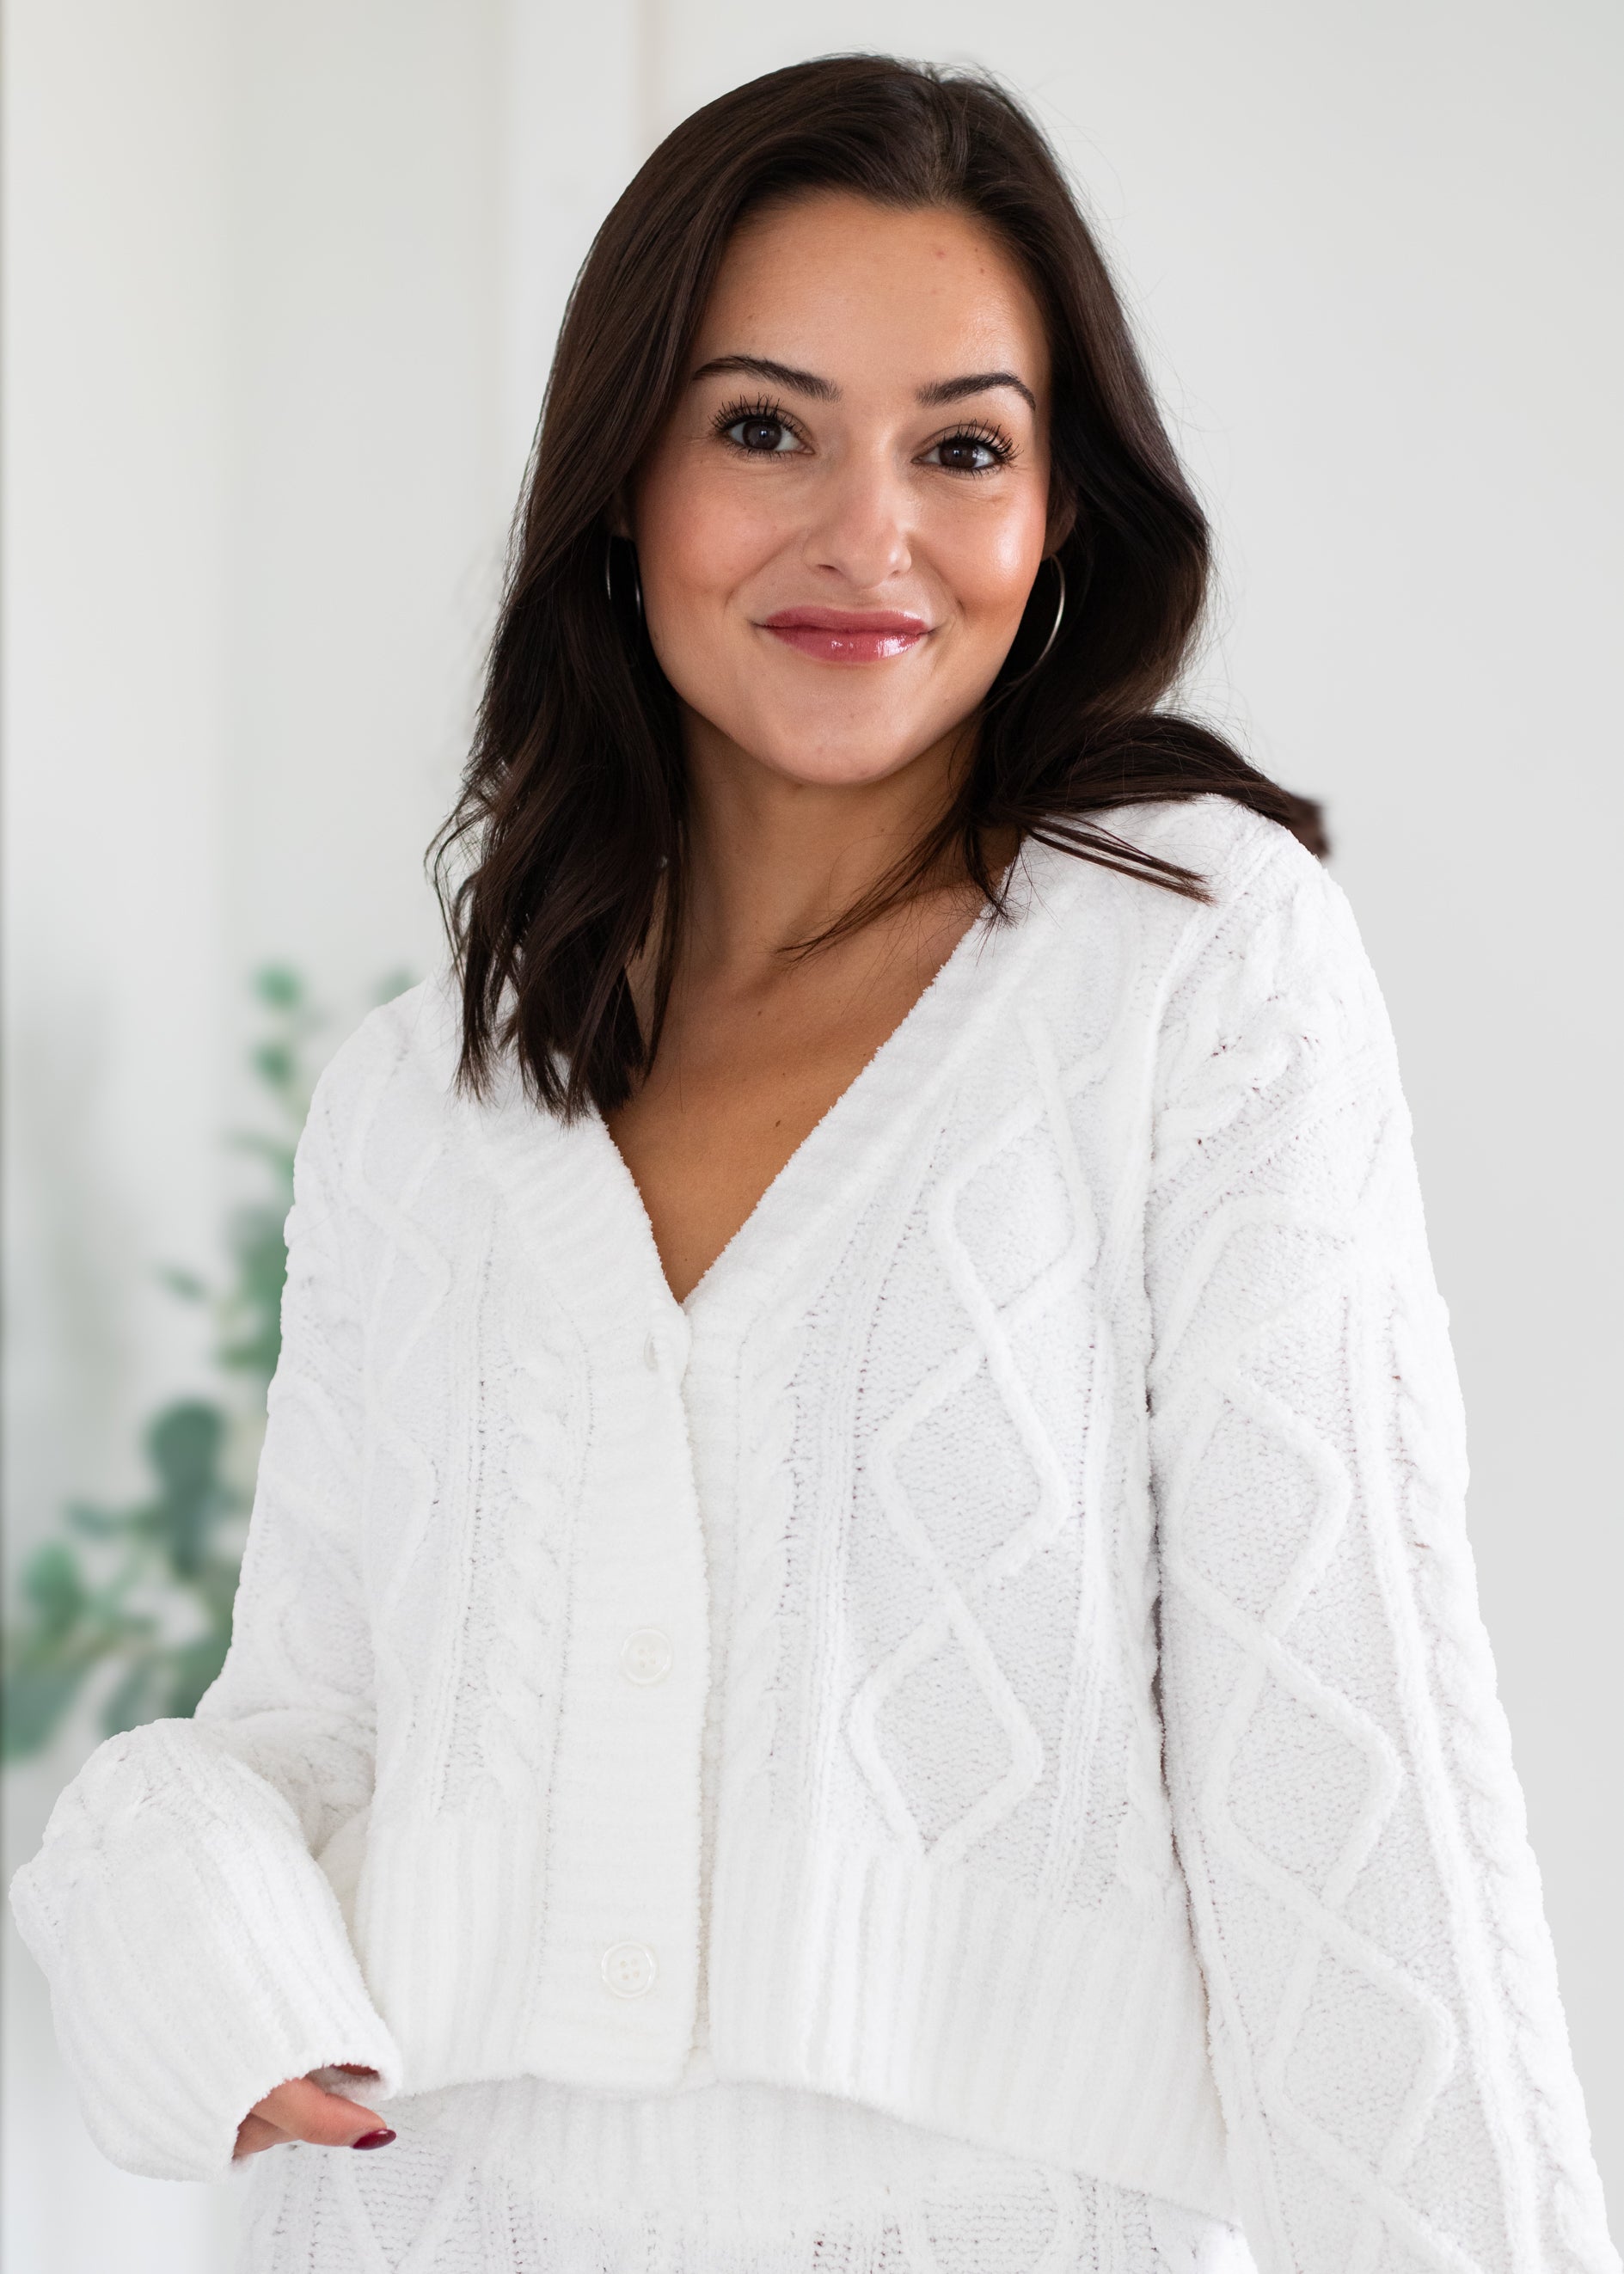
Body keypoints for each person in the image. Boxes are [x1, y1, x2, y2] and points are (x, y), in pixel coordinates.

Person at [12, 54, 1616, 2274]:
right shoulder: (425, 1096)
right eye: (762, 427)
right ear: (621, 484)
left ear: (1059, 518)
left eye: (960, 447)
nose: (868, 535)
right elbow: (309, 1723)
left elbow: (1340, 1754)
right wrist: (152, 1888)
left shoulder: (1181, 968)